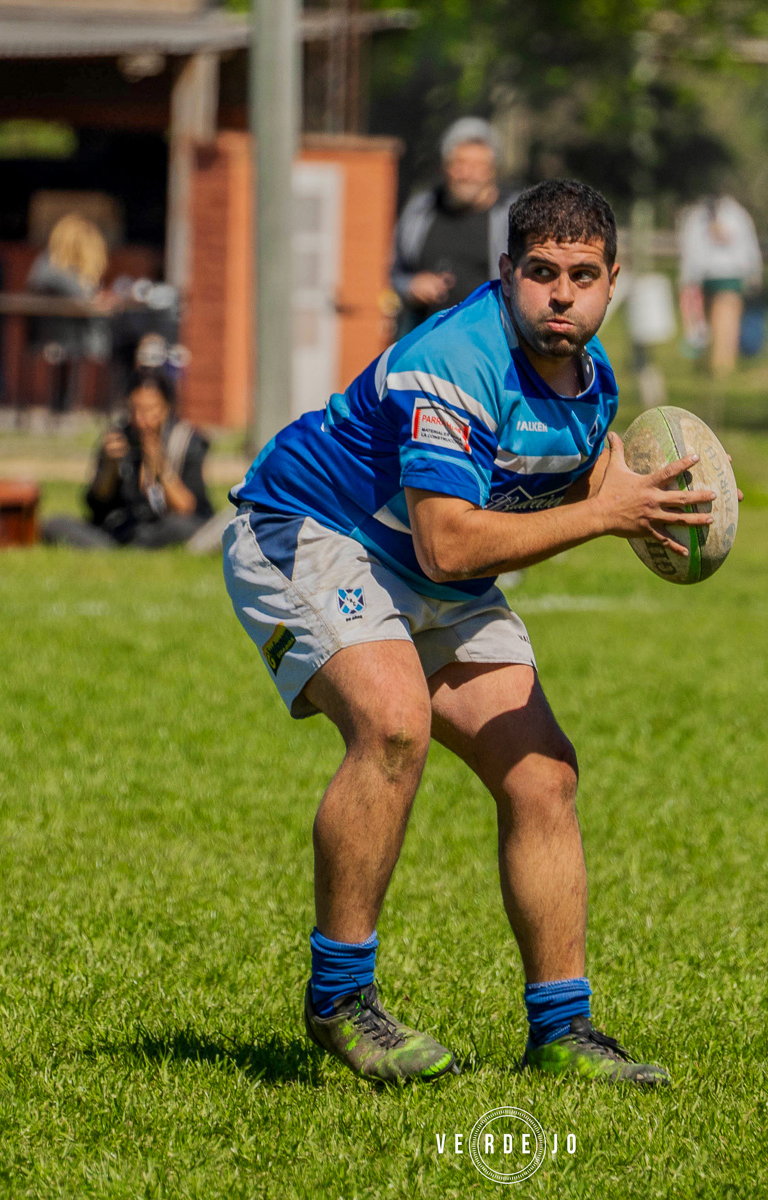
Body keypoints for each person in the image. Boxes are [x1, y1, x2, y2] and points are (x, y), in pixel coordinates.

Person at [224, 180, 716, 1086]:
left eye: (581, 275)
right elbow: (451, 540)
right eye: (540, 273)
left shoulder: (593, 381)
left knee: (543, 774)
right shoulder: (456, 358)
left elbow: (555, 495)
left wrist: (641, 504)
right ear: (506, 273)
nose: (560, 295)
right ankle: (338, 999)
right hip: (308, 533)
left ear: (614, 284)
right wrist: (610, 516)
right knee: (394, 723)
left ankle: (563, 1033)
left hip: (430, 573)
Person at [41, 370, 211, 550]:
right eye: (134, 409)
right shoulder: (117, 438)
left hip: (166, 528)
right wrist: (109, 468)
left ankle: (125, 550)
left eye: (149, 410)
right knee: (55, 524)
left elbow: (187, 509)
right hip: (120, 529)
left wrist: (160, 468)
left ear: (166, 410)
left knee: (180, 528)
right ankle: (117, 550)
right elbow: (97, 506)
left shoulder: (185, 441)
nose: (140, 419)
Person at [390, 117, 514, 337]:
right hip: (423, 341)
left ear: (492, 170)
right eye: (459, 164)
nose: (467, 174)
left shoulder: (510, 215)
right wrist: (411, 286)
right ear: (444, 168)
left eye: (477, 166)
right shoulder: (421, 209)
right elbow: (390, 272)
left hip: (487, 341)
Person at [28, 213, 114, 413]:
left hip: (75, 338)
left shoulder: (61, 267)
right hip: (57, 337)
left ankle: (69, 406)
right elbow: (82, 294)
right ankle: (65, 407)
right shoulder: (49, 265)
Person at [677, 192, 763, 381]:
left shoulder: (736, 215)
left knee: (725, 323)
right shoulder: (698, 217)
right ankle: (714, 365)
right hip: (707, 276)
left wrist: (753, 275)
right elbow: (691, 250)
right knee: (709, 325)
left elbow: (748, 247)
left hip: (728, 276)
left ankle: (721, 368)